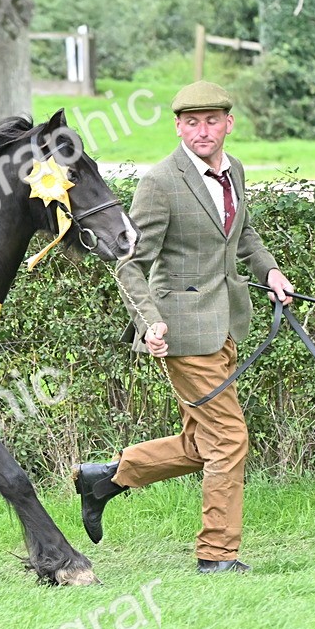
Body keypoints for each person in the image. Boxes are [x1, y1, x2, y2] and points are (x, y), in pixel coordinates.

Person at [74, 80, 294, 574]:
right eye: (191, 122)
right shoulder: (160, 182)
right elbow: (129, 263)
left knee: (204, 444)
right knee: (231, 440)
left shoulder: (233, 170)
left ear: (228, 123)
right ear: (177, 126)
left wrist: (270, 271)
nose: (202, 131)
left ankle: (106, 477)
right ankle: (217, 554)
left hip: (227, 323)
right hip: (183, 333)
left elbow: (243, 234)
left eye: (211, 120)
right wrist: (150, 322)